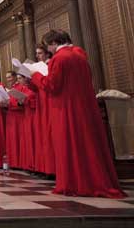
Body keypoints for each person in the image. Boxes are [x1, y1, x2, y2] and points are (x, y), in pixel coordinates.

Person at [31, 30, 125, 198]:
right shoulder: (79, 55)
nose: (48, 50)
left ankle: (76, 183)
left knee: (70, 144)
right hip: (84, 108)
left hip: (66, 109)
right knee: (87, 144)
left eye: (48, 46)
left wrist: (35, 75)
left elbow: (52, 86)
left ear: (53, 43)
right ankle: (91, 180)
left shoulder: (59, 59)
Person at [31, 44, 55, 177]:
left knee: (49, 136)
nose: (37, 56)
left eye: (40, 53)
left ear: (47, 53)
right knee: (42, 136)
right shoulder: (38, 67)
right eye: (37, 53)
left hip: (50, 103)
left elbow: (49, 84)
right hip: (41, 102)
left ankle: (52, 169)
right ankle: (44, 168)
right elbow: (36, 88)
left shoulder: (51, 65)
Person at [14, 73, 37, 172]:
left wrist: (26, 101)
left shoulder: (31, 88)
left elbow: (36, 101)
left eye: (20, 78)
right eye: (18, 78)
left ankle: (35, 165)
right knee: (28, 141)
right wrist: (20, 102)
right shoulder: (21, 89)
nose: (19, 81)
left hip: (33, 116)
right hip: (26, 116)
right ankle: (30, 165)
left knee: (33, 141)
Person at [5, 71, 24, 170]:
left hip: (18, 116)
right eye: (7, 78)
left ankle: (19, 163)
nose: (8, 80)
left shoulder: (20, 87)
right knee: (12, 140)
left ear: (14, 77)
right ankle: (13, 162)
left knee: (18, 139)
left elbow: (21, 102)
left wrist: (14, 104)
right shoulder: (10, 89)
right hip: (10, 115)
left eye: (9, 77)